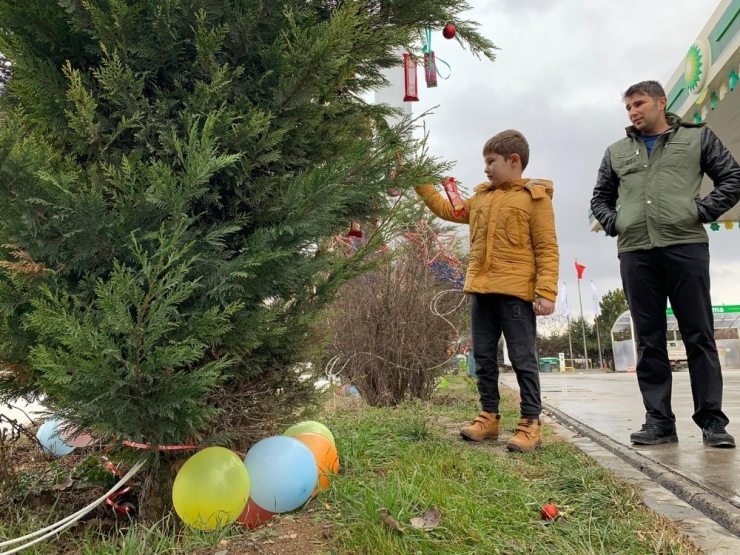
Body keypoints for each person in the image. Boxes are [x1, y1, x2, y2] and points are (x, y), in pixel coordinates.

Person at [590, 80, 740, 448]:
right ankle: (659, 421)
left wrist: (700, 211)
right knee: (649, 340)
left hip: (685, 247)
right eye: (628, 108)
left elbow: (733, 178)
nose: (633, 112)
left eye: (639, 104)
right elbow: (600, 198)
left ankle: (713, 423)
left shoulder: (698, 138)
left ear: (661, 102)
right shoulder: (616, 151)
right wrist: (615, 222)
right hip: (636, 252)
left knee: (699, 335)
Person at [415, 130, 559, 452]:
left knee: (523, 358)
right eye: (484, 162)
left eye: (491, 162)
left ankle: (530, 423)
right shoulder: (480, 198)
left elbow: (547, 248)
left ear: (514, 160)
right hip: (481, 291)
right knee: (482, 356)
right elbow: (446, 208)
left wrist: (546, 291)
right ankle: (489, 416)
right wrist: (420, 180)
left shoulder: (535, 199)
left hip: (516, 294)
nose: (486, 169)